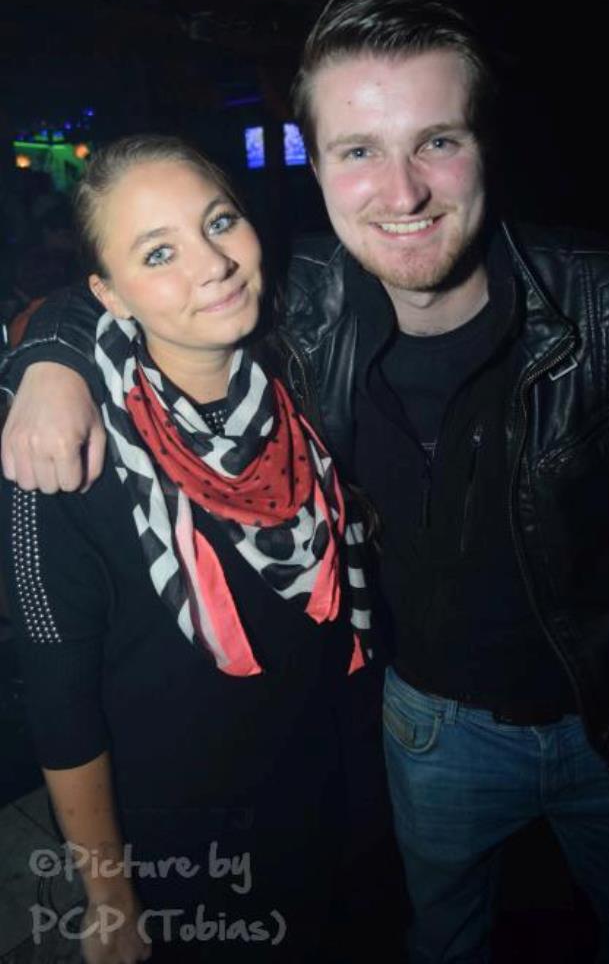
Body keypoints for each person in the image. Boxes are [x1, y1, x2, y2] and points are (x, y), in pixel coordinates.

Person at [2, 0, 609, 964]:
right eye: (359, 151)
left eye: (436, 141)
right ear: (314, 165)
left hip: (608, 730)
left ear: (485, 143)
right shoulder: (294, 321)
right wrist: (46, 361)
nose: (401, 194)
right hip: (413, 739)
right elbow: (122, 288)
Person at [0, 134, 385, 964]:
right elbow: (59, 703)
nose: (212, 264)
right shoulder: (65, 452)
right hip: (192, 833)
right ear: (109, 293)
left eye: (218, 222)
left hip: (341, 783)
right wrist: (109, 895)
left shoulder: (305, 360)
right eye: (158, 252)